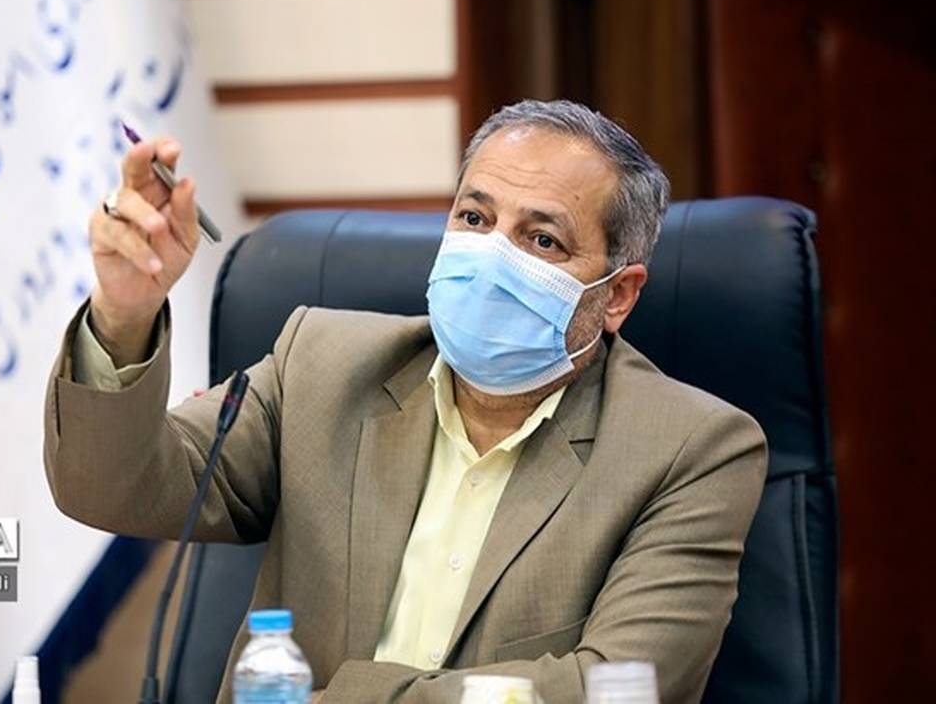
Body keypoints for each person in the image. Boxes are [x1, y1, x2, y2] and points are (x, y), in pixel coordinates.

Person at [43, 100, 767, 703]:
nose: (492, 256)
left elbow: (617, 688)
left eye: (542, 239)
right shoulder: (322, 365)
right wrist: (124, 313)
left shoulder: (692, 449)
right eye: (475, 219)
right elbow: (108, 485)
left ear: (617, 296)